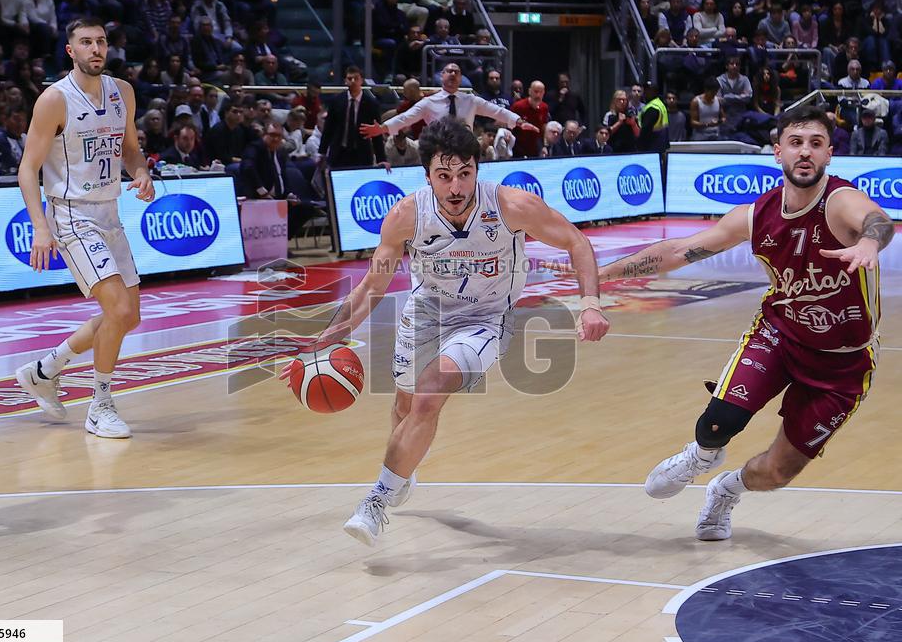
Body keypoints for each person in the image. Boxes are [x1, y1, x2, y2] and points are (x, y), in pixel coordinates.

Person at [546, 106, 893, 542]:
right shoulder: (755, 215)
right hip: (780, 335)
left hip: (843, 364)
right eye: (796, 143)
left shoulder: (839, 202)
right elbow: (678, 251)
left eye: (816, 144)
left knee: (777, 472)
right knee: (718, 422)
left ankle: (726, 490)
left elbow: (876, 220)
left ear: (829, 155)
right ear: (778, 152)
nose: (805, 152)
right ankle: (701, 456)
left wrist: (869, 241)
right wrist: (600, 274)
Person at [280, 118, 609, 546]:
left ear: (477, 169)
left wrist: (590, 303)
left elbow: (576, 242)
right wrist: (323, 341)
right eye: (444, 175)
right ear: (427, 176)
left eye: (464, 174)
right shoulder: (406, 216)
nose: (456, 187)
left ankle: (375, 501)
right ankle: (402, 472)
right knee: (404, 406)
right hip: (426, 312)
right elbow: (371, 288)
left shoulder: (511, 206)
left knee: (429, 393)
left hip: (486, 317)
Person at [15, 17, 155, 439]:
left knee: (128, 316)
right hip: (71, 214)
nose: (96, 49)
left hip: (110, 211)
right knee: (119, 310)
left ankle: (44, 370)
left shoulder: (122, 92)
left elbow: (130, 150)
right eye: (86, 42)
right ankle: (100, 405)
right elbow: (27, 168)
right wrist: (40, 227)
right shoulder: (54, 100)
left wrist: (141, 172)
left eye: (101, 42)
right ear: (70, 50)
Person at [361, 63, 539, 140]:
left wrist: (519, 121)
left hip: (465, 153)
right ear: (442, 76)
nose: (453, 74)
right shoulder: (429, 102)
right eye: (449, 71)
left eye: (457, 72)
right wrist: (383, 128)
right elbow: (405, 118)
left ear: (461, 78)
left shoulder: (471, 100)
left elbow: (497, 111)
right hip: (439, 152)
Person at [319, 65, 387, 169]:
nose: (353, 81)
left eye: (356, 78)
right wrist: (322, 152)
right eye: (350, 78)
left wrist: (381, 159)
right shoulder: (336, 101)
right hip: (339, 151)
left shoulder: (371, 103)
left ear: (361, 80)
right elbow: (328, 128)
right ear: (345, 81)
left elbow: (376, 132)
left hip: (362, 153)